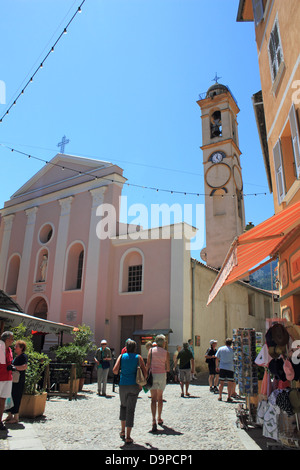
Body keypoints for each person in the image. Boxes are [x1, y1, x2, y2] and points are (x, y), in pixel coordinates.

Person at [113, 339, 146, 445]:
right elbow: (145, 373)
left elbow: (114, 370)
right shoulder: (138, 357)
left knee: (123, 406)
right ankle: (128, 436)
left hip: (123, 385)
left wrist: (123, 370)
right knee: (131, 410)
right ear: (135, 348)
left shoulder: (121, 356)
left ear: (126, 348)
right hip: (134, 385)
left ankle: (122, 431)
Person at [146, 334, 170, 432]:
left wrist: (146, 374)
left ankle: (153, 420)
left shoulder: (151, 351)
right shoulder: (166, 353)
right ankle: (159, 417)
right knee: (160, 398)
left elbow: (147, 364)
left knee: (153, 399)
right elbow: (167, 368)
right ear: (163, 343)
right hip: (161, 375)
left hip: (152, 375)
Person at [5, 340, 28, 424]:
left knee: (16, 397)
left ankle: (16, 417)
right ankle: (10, 415)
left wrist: (14, 367)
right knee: (10, 396)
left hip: (18, 380)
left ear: (21, 348)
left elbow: (24, 366)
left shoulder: (23, 356)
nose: (15, 347)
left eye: (16, 346)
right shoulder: (16, 356)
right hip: (13, 380)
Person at [0, 331, 14, 431]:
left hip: (7, 377)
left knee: (3, 400)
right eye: (12, 339)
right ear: (7, 339)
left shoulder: (9, 349)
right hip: (0, 377)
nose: (13, 341)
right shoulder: (0, 348)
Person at [215, 338, 235, 402]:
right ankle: (229, 396)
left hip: (222, 367)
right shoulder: (232, 350)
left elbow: (217, 358)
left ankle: (220, 396)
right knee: (230, 383)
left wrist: (217, 366)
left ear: (225, 343)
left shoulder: (221, 349)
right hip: (230, 367)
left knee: (221, 382)